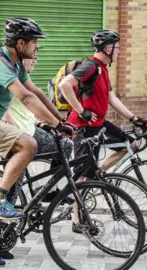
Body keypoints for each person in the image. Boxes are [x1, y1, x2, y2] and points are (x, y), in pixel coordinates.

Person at [0, 17, 73, 222]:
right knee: (28, 144)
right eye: (34, 41)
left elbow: (35, 92)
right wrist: (56, 124)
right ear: (20, 43)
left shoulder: (15, 66)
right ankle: (1, 202)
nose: (38, 47)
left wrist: (60, 121)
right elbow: (25, 98)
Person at [58, 29, 147, 233]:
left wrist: (135, 118)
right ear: (108, 48)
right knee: (81, 176)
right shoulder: (90, 66)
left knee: (129, 144)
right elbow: (65, 85)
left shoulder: (103, 68)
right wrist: (82, 111)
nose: (119, 52)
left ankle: (97, 174)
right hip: (83, 127)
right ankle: (76, 221)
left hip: (99, 124)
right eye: (117, 48)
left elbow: (112, 99)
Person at [4, 57, 73, 203]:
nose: (36, 61)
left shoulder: (23, 79)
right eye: (32, 58)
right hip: (20, 135)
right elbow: (5, 109)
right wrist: (15, 132)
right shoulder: (12, 79)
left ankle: (49, 191)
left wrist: (42, 124)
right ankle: (4, 219)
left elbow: (24, 111)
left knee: (65, 145)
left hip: (31, 129)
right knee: (16, 175)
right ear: (21, 60)